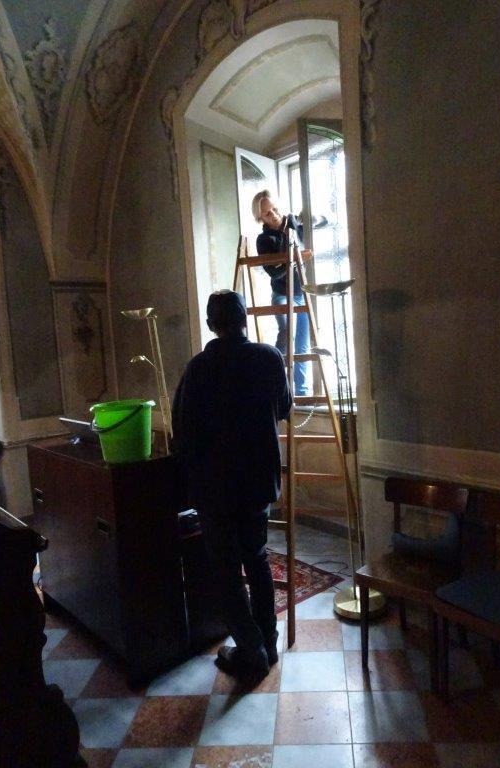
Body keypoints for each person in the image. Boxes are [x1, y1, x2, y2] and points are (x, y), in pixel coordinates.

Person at [172, 290, 292, 682]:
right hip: (258, 483)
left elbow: (183, 432)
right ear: (244, 319)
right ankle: (268, 642)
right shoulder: (269, 358)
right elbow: (284, 408)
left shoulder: (198, 368)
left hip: (216, 490)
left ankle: (251, 650)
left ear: (211, 324)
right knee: (257, 560)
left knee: (225, 571)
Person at [251, 190, 310, 396]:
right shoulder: (264, 239)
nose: (274, 215)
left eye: (275, 209)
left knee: (302, 344)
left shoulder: (295, 225)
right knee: (286, 335)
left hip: (302, 291)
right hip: (282, 293)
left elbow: (321, 223)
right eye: (267, 213)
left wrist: (299, 221)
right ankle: (278, 388)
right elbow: (274, 273)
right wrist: (293, 256)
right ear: (260, 217)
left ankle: (301, 392)